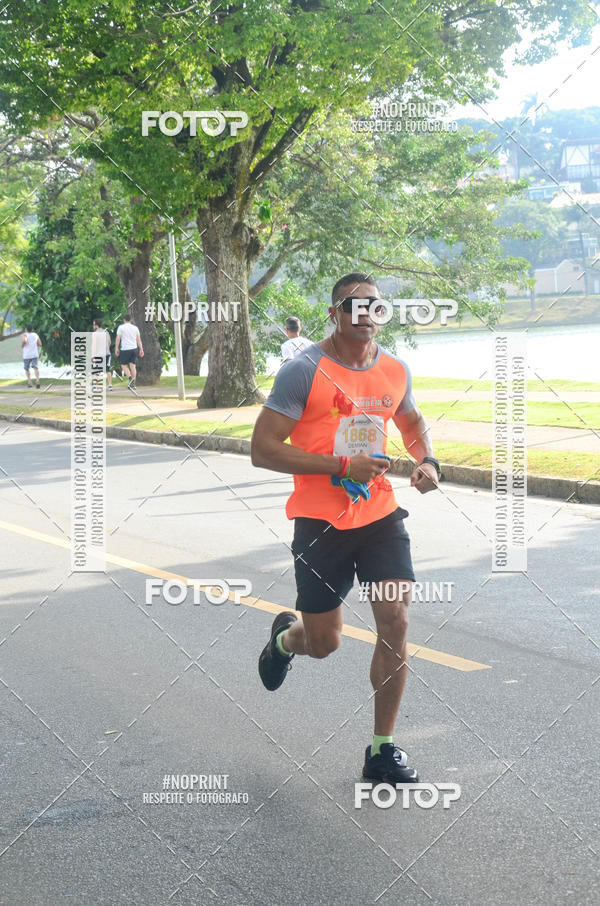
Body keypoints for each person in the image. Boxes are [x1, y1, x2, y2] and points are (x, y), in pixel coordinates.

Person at [251, 272, 441, 785]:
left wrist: (429, 463)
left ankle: (382, 750)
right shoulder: (302, 371)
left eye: (375, 307)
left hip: (380, 516)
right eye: (354, 307)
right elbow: (263, 449)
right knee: (326, 641)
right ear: (334, 314)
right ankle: (285, 643)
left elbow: (412, 422)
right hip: (320, 523)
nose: (366, 316)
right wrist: (340, 466)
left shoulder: (395, 370)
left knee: (396, 620)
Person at [115, 313, 144, 389]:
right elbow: (138, 339)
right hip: (134, 349)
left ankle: (130, 379)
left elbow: (118, 338)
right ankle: (133, 384)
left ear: (124, 320)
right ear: (131, 320)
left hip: (125, 349)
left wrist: (116, 348)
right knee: (133, 366)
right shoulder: (135, 328)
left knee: (123, 365)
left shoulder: (121, 327)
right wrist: (141, 349)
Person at [92, 318, 113, 391]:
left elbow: (94, 345)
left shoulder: (95, 334)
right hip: (107, 354)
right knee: (108, 370)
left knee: (96, 370)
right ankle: (110, 385)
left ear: (96, 325)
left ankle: (95, 386)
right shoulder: (106, 332)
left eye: (93, 324)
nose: (93, 326)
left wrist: (93, 356)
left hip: (98, 354)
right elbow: (109, 342)